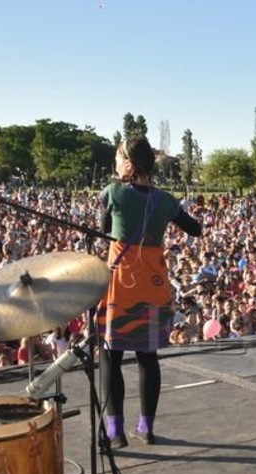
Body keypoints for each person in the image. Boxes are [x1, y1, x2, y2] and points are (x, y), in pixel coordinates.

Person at [97, 137, 203, 447]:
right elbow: (195, 228)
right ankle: (146, 428)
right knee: (147, 357)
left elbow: (105, 228)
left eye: (117, 159)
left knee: (110, 355)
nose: (114, 164)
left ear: (127, 164)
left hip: (121, 283)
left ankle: (115, 432)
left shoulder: (113, 192)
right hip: (154, 283)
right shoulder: (165, 200)